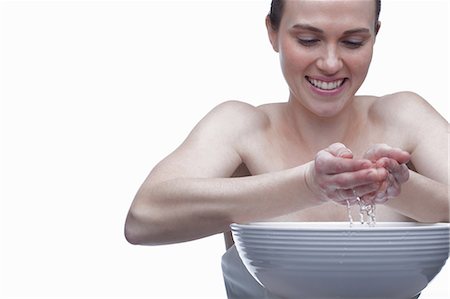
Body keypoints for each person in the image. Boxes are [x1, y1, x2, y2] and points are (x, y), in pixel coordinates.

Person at [124, 0, 449, 298]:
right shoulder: (242, 127)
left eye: (353, 42)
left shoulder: (404, 118)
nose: (331, 63)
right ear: (272, 31)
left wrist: (394, 187)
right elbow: (144, 217)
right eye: (308, 40)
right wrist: (308, 184)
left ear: (375, 36)